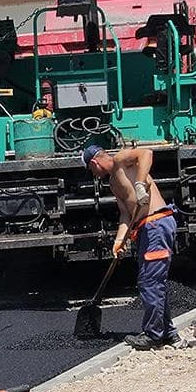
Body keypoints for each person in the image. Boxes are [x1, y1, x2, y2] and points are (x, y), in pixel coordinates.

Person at [83, 144, 179, 350]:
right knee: (154, 282)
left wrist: (139, 183)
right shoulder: (112, 183)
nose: (93, 174)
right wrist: (120, 240)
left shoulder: (120, 159)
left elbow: (147, 153)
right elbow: (126, 215)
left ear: (94, 162)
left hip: (156, 224)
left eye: (91, 170)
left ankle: (154, 335)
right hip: (146, 228)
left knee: (150, 281)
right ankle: (167, 332)